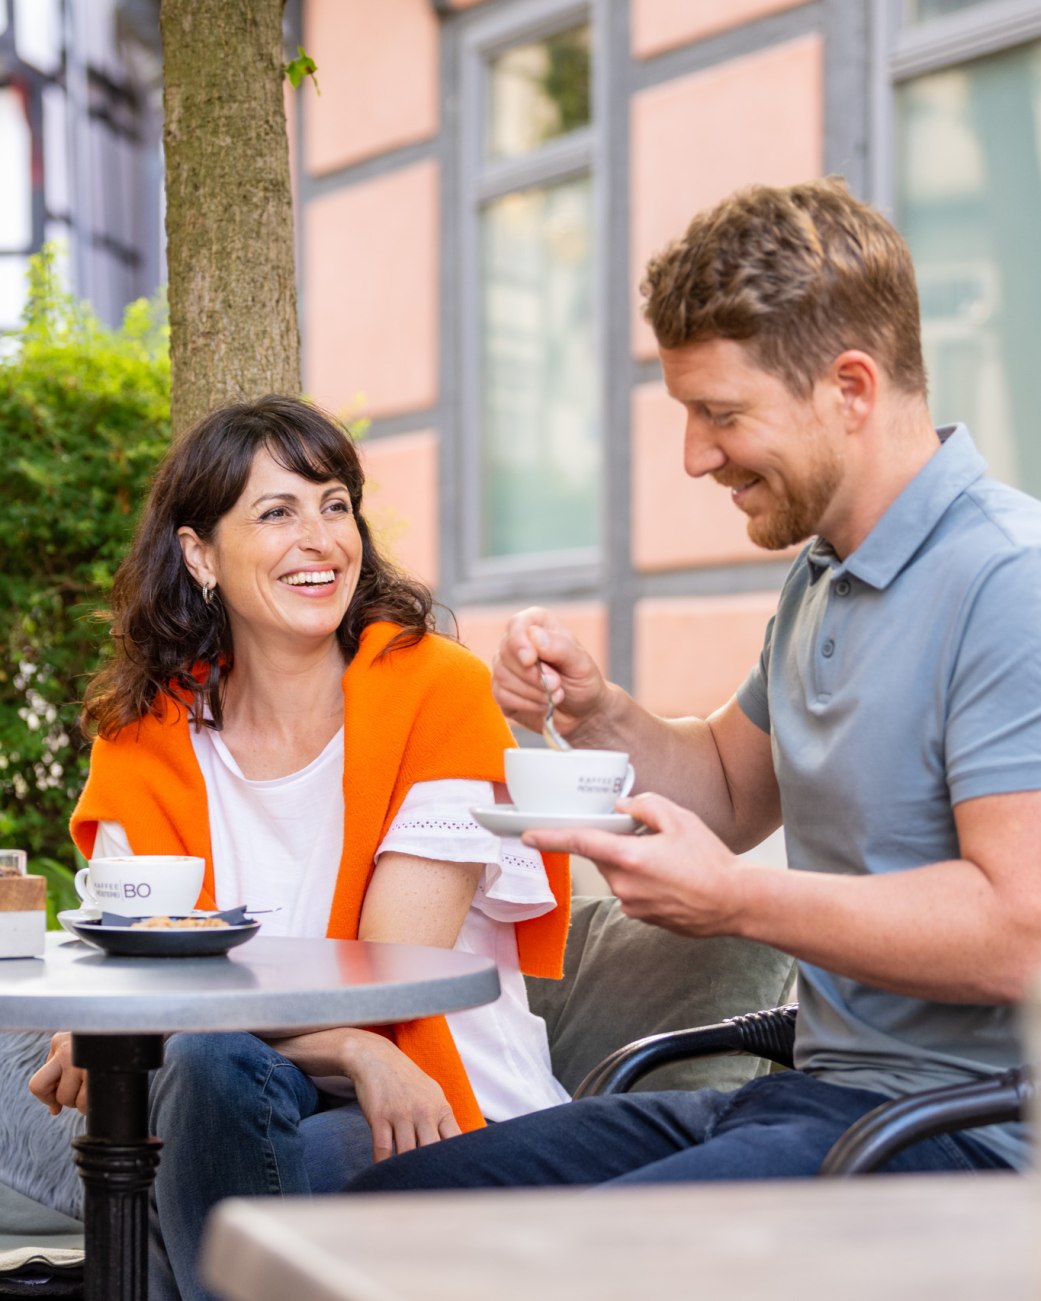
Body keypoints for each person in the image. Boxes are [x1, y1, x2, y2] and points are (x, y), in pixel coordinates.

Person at [344, 176, 1041, 1195]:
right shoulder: (825, 572)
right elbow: (725, 783)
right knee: (391, 1212)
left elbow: (1018, 931)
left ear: (850, 387)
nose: (693, 455)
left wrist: (738, 899)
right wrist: (600, 712)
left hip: (965, 1133)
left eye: (720, 414)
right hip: (820, 1097)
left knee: (540, 1260)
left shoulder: (1005, 580)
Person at [27, 395, 570, 1299]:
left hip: (434, 1095)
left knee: (180, 1165)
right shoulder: (143, 735)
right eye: (276, 512)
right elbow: (141, 978)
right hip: (256, 1078)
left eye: (334, 504)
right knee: (195, 1080)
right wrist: (348, 1049)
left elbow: (385, 976)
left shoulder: (436, 691)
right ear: (199, 553)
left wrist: (343, 1044)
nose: (319, 537)